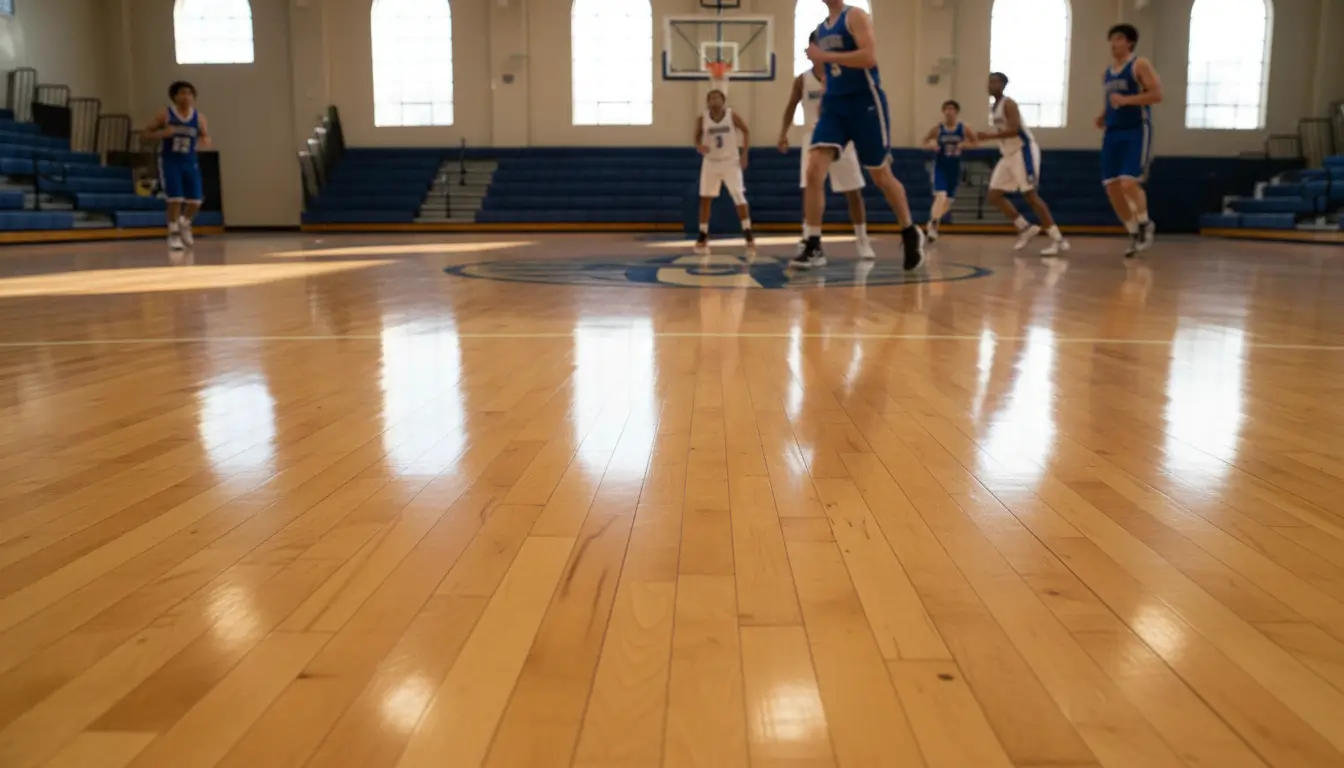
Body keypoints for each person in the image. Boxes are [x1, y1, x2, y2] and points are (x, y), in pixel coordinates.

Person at [794, 0, 924, 271]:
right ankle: (814, 243)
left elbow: (869, 57)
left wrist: (825, 56)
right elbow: (830, 72)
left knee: (881, 176)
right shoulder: (820, 30)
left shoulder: (855, 16)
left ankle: (910, 230)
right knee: (814, 169)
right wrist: (826, 92)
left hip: (865, 103)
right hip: (834, 106)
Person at [778, 31, 874, 259]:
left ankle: (862, 239)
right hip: (813, 139)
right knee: (809, 189)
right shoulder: (803, 79)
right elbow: (791, 106)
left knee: (853, 193)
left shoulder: (844, 76)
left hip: (842, 138)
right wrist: (783, 133)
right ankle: (810, 237)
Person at [977, 72, 1069, 257]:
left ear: (1003, 85)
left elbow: (1014, 130)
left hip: (1022, 151)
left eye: (994, 82)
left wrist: (990, 136)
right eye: (989, 82)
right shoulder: (994, 106)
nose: (990, 85)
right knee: (993, 195)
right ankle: (1025, 227)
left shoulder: (1009, 103)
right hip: (1008, 155)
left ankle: (1058, 239)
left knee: (1030, 196)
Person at [1099, 23, 1162, 257]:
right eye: (1111, 39)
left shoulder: (1139, 64)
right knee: (1112, 188)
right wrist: (1103, 115)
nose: (1114, 44)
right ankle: (1133, 231)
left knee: (1128, 182)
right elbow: (1110, 100)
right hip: (1112, 131)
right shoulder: (1107, 72)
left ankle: (1145, 223)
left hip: (1136, 129)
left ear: (1129, 42)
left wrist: (1127, 101)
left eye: (1118, 39)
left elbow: (1157, 94)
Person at [143, 81, 210, 251]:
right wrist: (161, 134)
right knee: (175, 199)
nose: (185, 96)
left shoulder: (200, 118)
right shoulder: (165, 115)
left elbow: (205, 136)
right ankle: (173, 234)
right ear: (174, 96)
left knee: (196, 200)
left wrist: (204, 141)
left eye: (189, 93)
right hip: (170, 161)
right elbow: (144, 135)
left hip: (190, 160)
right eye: (182, 93)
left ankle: (185, 223)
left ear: (193, 97)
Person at [695, 89, 755, 254]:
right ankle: (703, 234)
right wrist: (699, 146)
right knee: (705, 198)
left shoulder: (731, 115)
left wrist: (744, 153)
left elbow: (746, 131)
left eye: (717, 97)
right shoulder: (703, 118)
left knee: (738, 195)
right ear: (708, 102)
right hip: (710, 162)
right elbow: (696, 137)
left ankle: (748, 233)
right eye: (711, 97)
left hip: (730, 161)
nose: (714, 100)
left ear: (723, 100)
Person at [921, 100, 974, 242]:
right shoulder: (938, 129)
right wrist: (932, 144)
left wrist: (964, 145)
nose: (949, 111)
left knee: (947, 202)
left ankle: (932, 220)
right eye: (947, 109)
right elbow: (924, 142)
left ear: (956, 112)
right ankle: (933, 226)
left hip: (955, 168)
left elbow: (975, 142)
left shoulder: (963, 128)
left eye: (952, 109)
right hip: (940, 166)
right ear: (943, 111)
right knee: (941, 196)